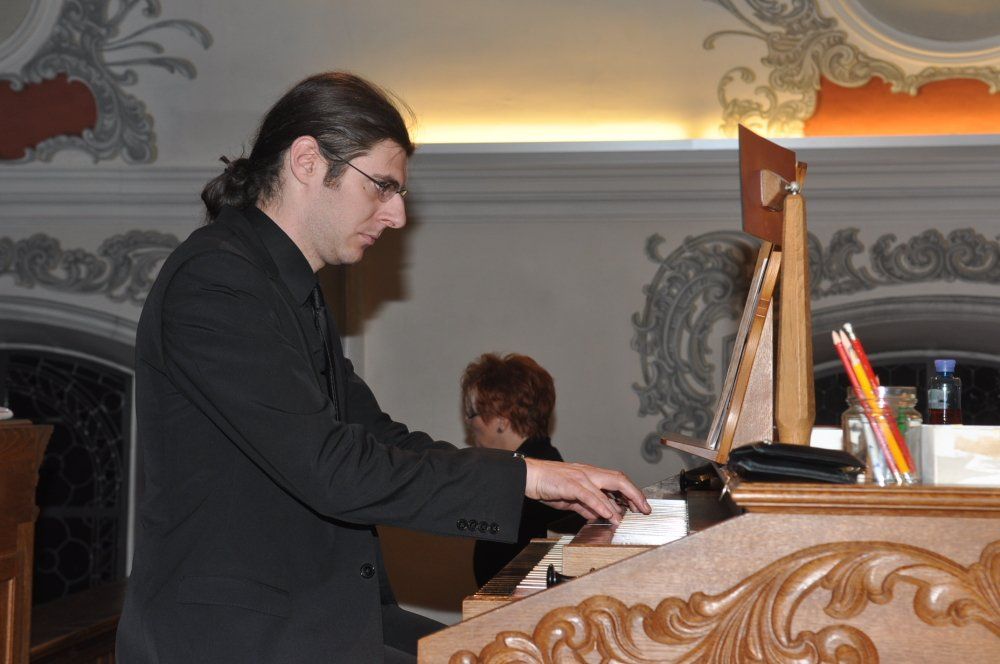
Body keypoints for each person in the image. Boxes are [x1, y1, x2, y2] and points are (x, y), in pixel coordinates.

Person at [115, 72, 648, 664]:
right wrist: (522, 478)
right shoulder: (218, 282)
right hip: (233, 639)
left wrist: (531, 475)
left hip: (306, 619)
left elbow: (375, 437)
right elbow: (333, 468)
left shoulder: (283, 288)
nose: (397, 215)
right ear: (308, 161)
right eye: (382, 187)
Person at [461, 353, 584, 586]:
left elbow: (500, 581)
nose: (469, 424)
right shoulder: (553, 465)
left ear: (501, 419)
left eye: (472, 414)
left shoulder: (521, 487)